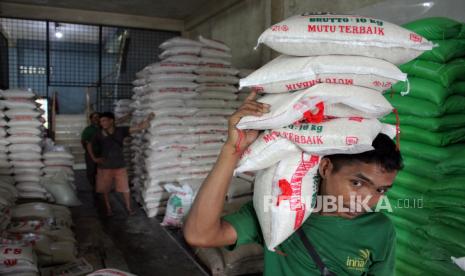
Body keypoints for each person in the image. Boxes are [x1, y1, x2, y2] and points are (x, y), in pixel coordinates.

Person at [184, 91, 403, 275]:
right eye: (357, 183)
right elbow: (199, 234)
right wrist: (232, 151)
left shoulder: (380, 230)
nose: (368, 200)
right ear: (326, 168)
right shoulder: (278, 211)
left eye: (381, 190)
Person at [87, 111, 154, 216]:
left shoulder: (121, 131)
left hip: (120, 165)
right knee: (106, 189)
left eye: (104, 120)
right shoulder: (98, 134)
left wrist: (149, 118)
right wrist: (94, 158)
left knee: (125, 188)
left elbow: (139, 127)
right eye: (101, 121)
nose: (102, 123)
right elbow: (89, 144)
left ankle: (128, 208)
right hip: (105, 166)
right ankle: (108, 209)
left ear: (111, 121)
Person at [81, 112, 100, 189]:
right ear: (91, 119)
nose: (96, 118)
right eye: (94, 117)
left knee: (101, 171)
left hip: (102, 154)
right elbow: (83, 141)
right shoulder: (88, 130)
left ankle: (100, 186)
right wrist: (88, 150)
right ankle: (93, 187)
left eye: (97, 117)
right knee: (91, 171)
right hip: (90, 154)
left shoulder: (103, 128)